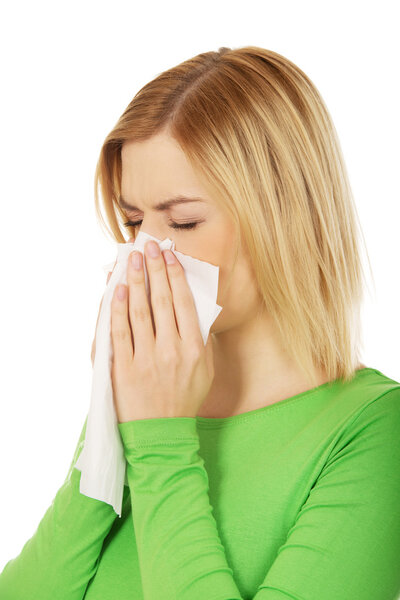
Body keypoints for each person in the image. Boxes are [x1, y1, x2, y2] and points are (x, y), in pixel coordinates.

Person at [1, 45, 399, 600]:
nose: (143, 252)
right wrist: (110, 419)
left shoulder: (376, 433)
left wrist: (161, 443)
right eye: (134, 220)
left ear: (283, 217)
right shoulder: (140, 403)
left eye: (183, 221)